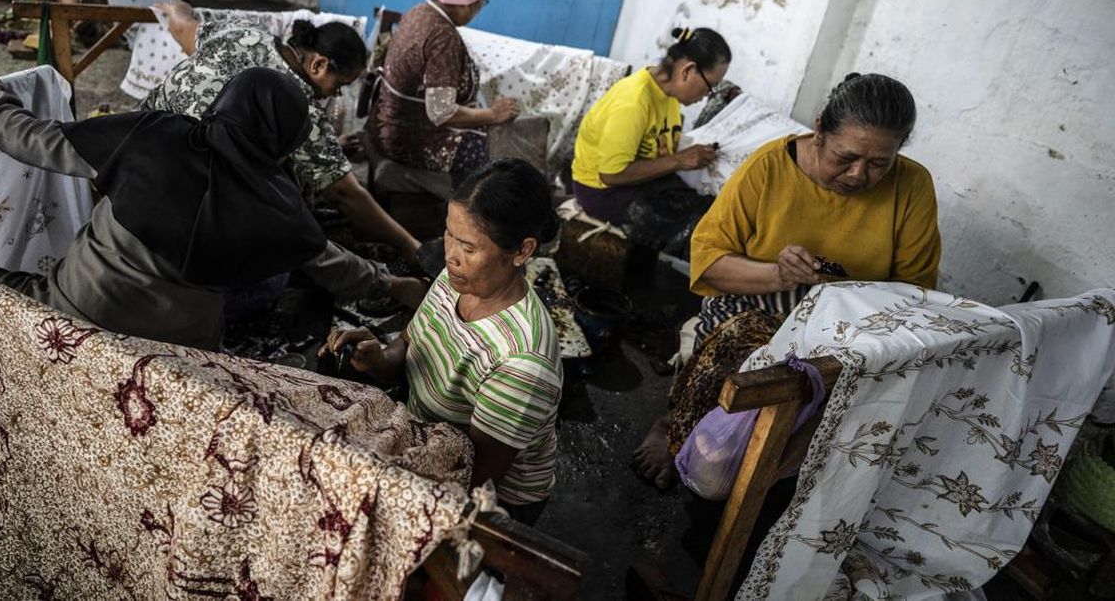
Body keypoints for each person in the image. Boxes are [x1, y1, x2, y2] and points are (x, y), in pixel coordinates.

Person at [632, 73, 942, 488]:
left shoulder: (913, 186)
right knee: (737, 342)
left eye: (878, 164)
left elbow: (915, 294)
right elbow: (707, 262)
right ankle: (674, 425)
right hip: (757, 298)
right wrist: (776, 273)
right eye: (845, 157)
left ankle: (780, 468)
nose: (857, 174)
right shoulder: (770, 168)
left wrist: (840, 300)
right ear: (819, 129)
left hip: (853, 318)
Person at [0, 67, 329, 350]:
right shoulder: (279, 208)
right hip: (181, 356)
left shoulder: (156, 136)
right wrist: (383, 282)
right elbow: (321, 252)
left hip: (71, 317)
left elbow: (26, 139)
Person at [321, 158, 562, 524]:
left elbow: (471, 475)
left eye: (468, 246)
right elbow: (409, 345)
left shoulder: (522, 363)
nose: (450, 255)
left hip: (492, 500)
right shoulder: (456, 281)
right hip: (424, 439)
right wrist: (379, 360)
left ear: (522, 251)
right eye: (449, 234)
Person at [146, 1, 425, 309]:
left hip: (139, 157)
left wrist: (176, 7)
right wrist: (410, 246)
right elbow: (346, 194)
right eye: (339, 85)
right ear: (318, 65)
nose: (335, 95)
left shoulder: (245, 34)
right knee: (275, 275)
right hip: (186, 217)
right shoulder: (297, 104)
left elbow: (183, 27)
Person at [369, 0, 521, 189]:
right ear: (464, 3)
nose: (480, 9)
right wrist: (492, 114)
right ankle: (469, 215)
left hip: (389, 124)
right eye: (482, 2)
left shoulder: (418, 13)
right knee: (498, 155)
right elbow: (441, 112)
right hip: (410, 140)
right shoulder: (443, 37)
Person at [570, 27, 730, 229]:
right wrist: (679, 161)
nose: (708, 94)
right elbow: (610, 175)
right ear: (687, 71)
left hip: (643, 180)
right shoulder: (633, 102)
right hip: (602, 190)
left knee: (713, 211)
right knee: (694, 227)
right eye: (710, 86)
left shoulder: (668, 92)